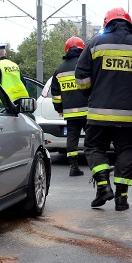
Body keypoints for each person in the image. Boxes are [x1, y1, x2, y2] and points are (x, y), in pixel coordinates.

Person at [75, 7, 132, 211]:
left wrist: (91, 93)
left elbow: (81, 76)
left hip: (99, 113)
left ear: (106, 23)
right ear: (130, 26)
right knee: (126, 153)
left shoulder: (95, 43)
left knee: (94, 148)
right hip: (128, 116)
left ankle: (103, 187)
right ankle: (122, 199)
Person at [51, 36, 89, 177]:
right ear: (82, 49)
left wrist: (59, 108)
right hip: (87, 111)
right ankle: (96, 166)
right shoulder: (85, 65)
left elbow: (55, 93)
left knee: (72, 139)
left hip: (70, 113)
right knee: (91, 139)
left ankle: (73, 167)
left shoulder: (59, 69)